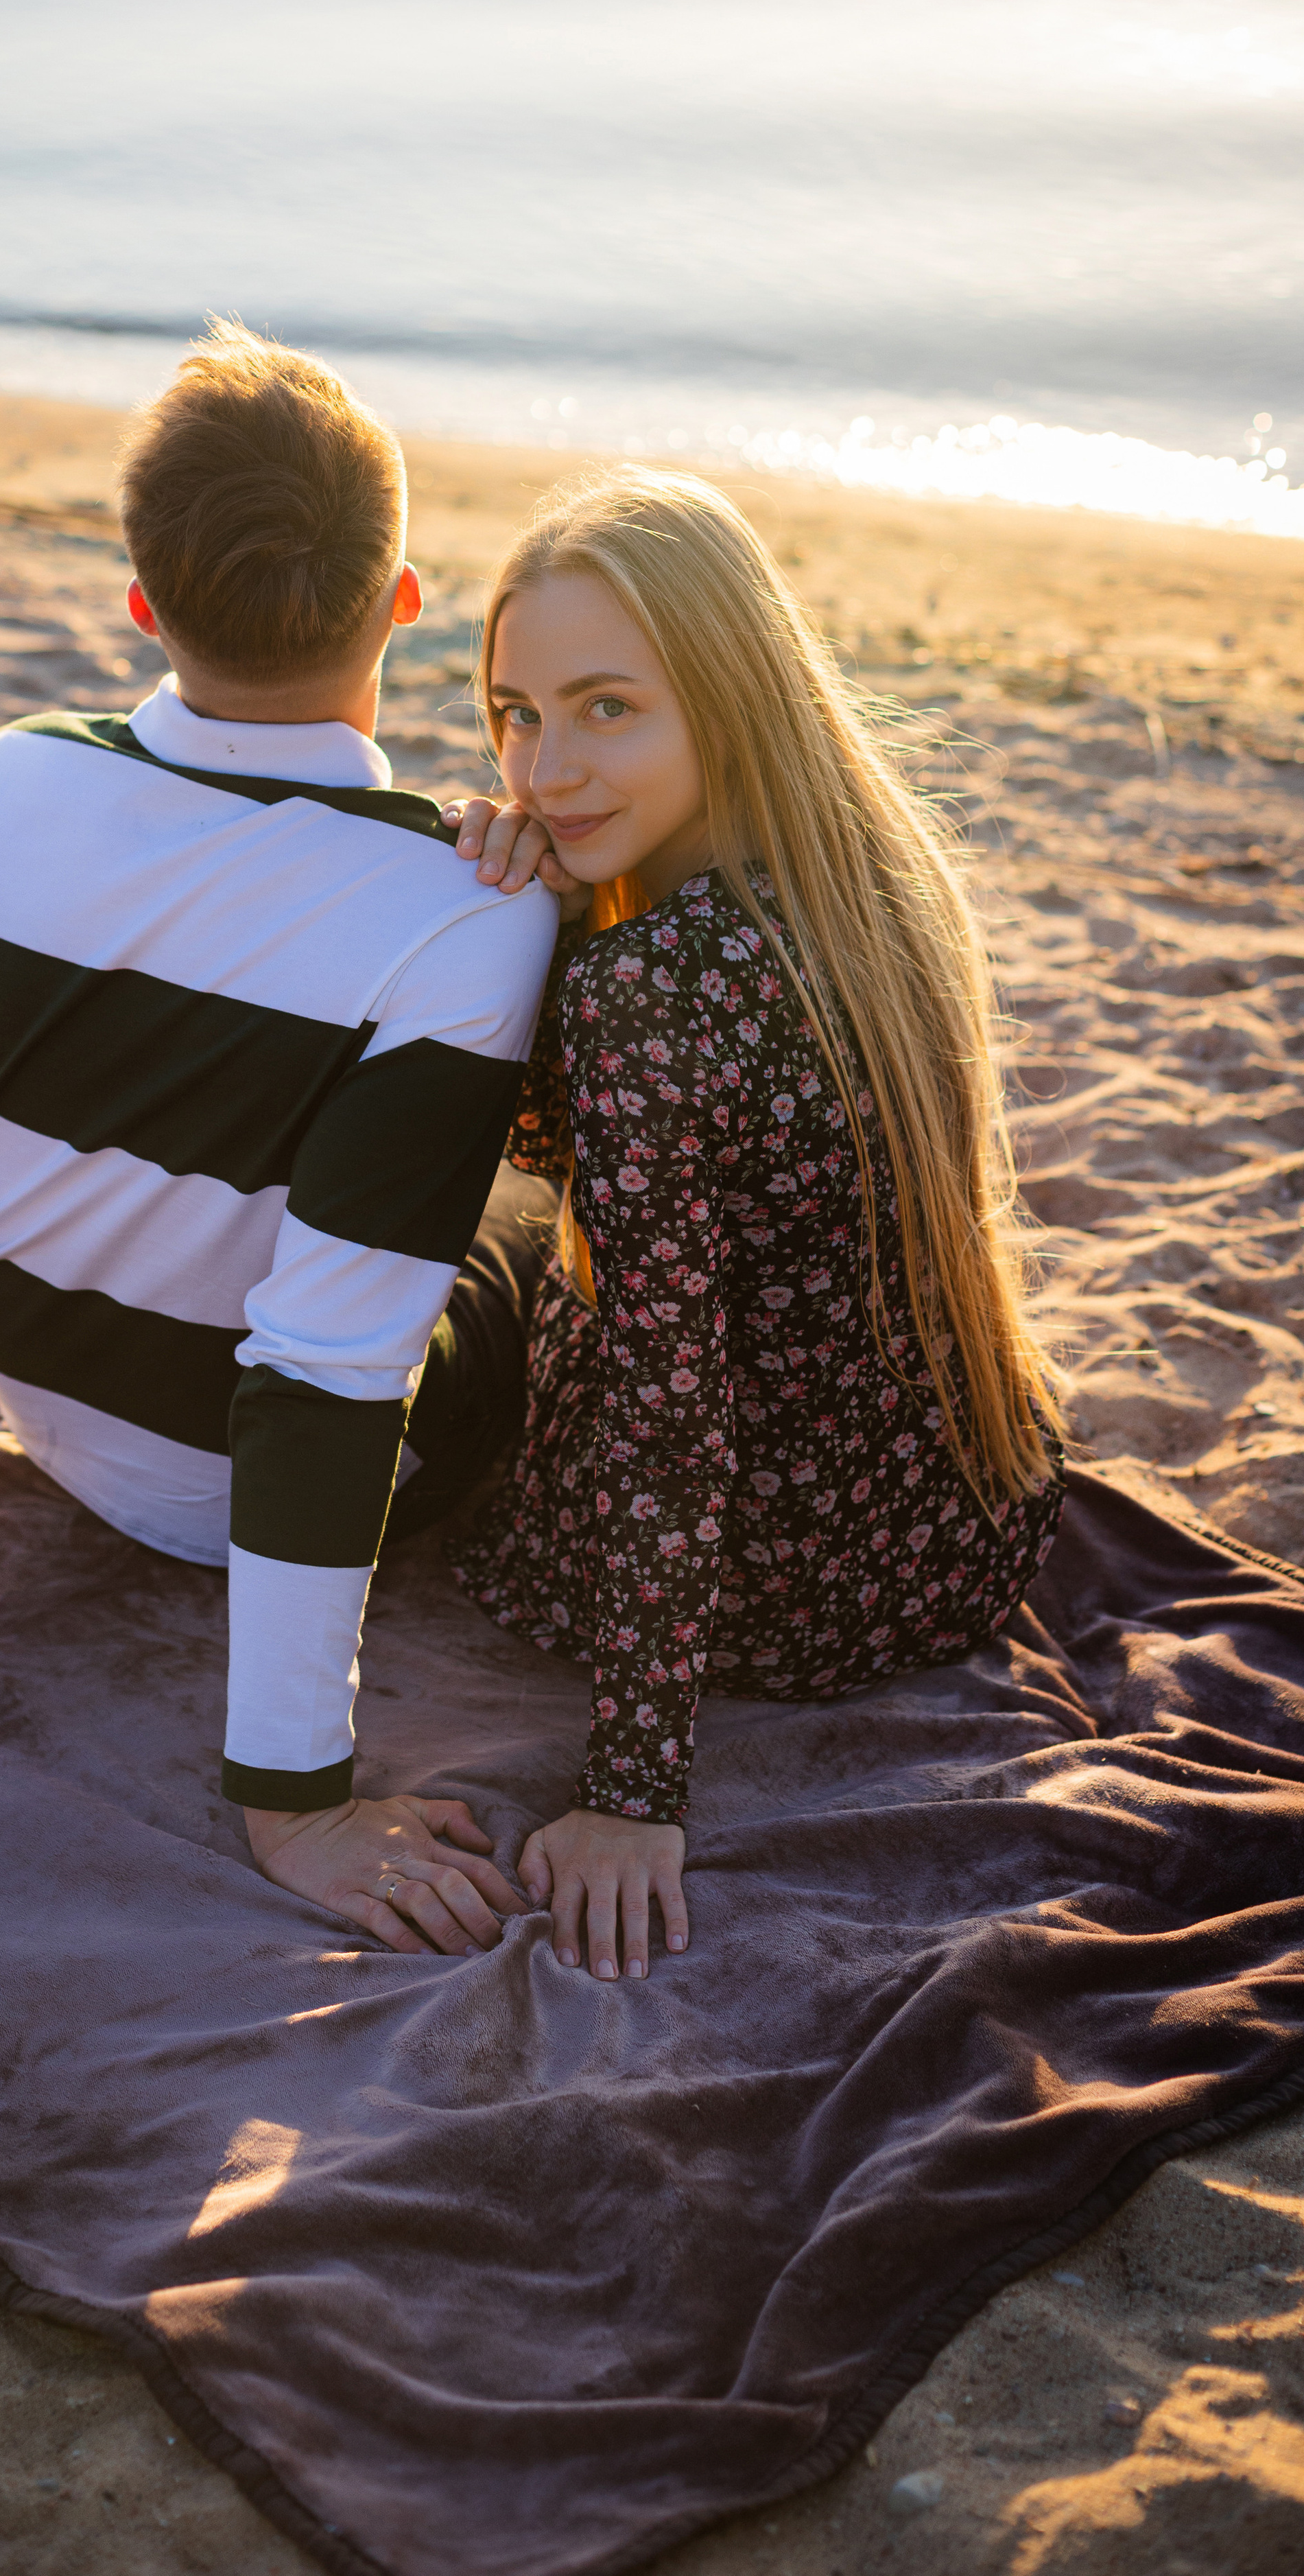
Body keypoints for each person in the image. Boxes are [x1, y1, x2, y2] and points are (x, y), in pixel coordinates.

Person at [0, 322, 560, 1960]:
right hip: (283, 1474)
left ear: (141, 603)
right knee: (526, 1200)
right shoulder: (465, 911)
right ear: (400, 605)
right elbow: (323, 1371)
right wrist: (289, 1803)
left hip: (53, 1421)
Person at [442, 467, 1067, 1984]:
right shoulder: (876, 875)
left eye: (605, 709)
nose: (542, 769)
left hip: (762, 1597)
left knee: (446, 1273)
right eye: (516, 715)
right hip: (956, 1531)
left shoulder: (640, 991)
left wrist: (630, 1794)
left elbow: (668, 1403)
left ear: (724, 698)